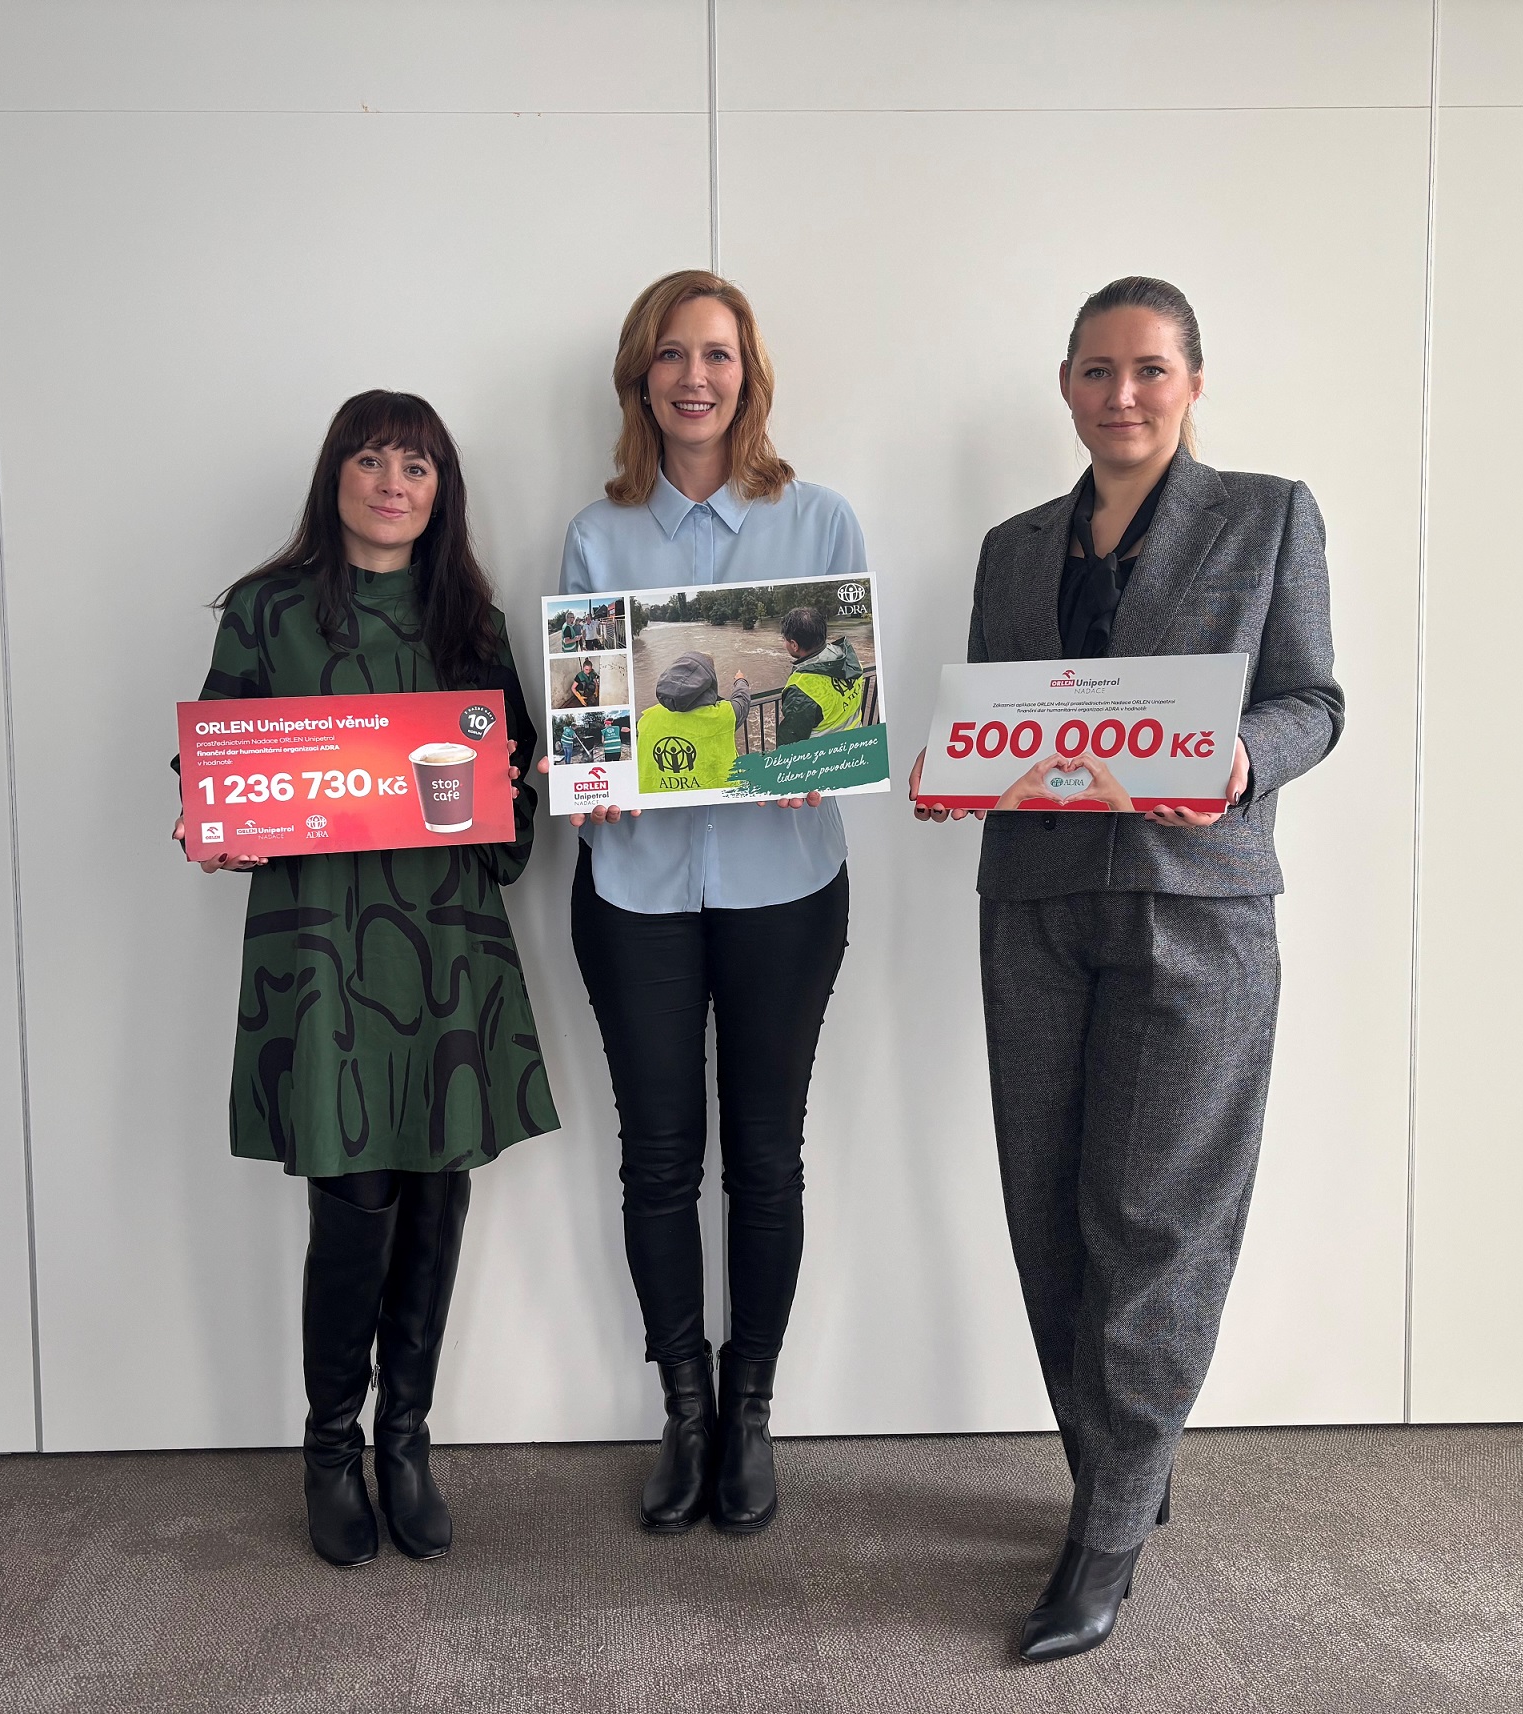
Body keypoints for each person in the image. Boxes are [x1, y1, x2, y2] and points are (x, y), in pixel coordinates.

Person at [910, 277, 1343, 1662]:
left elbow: (1313, 699)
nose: (1122, 394)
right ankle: (1118, 1467)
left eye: (1149, 368)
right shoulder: (1010, 548)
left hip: (1192, 908)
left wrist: (1241, 757)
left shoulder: (1266, 516)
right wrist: (953, 770)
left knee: (1153, 1220)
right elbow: (1004, 716)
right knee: (1046, 1208)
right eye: (1097, 370)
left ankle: (1103, 1533)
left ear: (1192, 382)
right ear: (1065, 386)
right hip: (1035, 905)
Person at [173, 389, 558, 1570]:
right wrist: (211, 822)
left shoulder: (471, 621)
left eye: (418, 467)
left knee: (436, 1190)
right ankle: (329, 1448)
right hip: (322, 949)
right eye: (373, 459)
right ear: (334, 474)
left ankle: (406, 1440)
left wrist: (531, 786)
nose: (394, 483)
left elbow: (513, 791)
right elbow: (216, 764)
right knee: (350, 1200)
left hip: (446, 941)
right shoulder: (266, 609)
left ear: (442, 493)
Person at [544, 269, 865, 1535]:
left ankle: (751, 1407)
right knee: (659, 1160)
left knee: (767, 1160)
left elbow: (841, 691)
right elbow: (586, 718)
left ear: (748, 374)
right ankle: (684, 1407)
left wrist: (827, 743)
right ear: (641, 377)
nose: (695, 377)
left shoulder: (819, 519)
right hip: (637, 892)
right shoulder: (596, 534)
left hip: (786, 882)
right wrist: (591, 778)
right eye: (671, 354)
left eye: (717, 354)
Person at [636, 652, 743, 792]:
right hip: (717, 796)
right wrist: (740, 681)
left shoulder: (647, 718)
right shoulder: (724, 715)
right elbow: (742, 699)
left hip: (661, 797)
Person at [771, 606, 865, 746]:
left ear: (794, 645)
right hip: (858, 743)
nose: (784, 643)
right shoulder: (849, 659)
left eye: (785, 640)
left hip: (827, 755)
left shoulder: (801, 689)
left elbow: (789, 746)